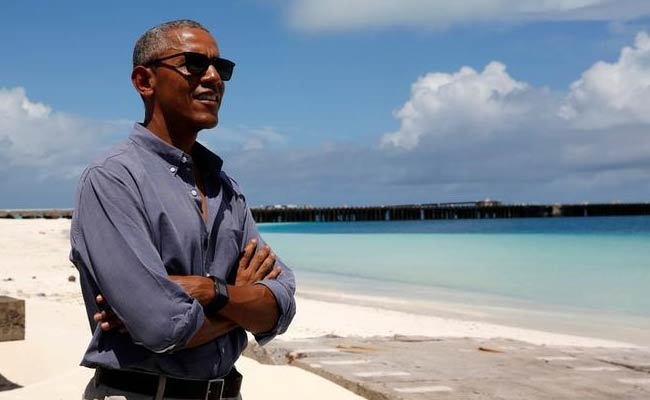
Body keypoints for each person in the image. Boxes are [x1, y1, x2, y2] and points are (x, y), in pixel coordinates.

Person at [69, 19, 296, 400]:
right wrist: (242, 302)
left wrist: (211, 291)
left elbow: (283, 304)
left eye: (221, 68)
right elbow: (162, 326)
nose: (213, 78)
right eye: (193, 64)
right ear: (145, 81)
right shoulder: (112, 179)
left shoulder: (226, 188)